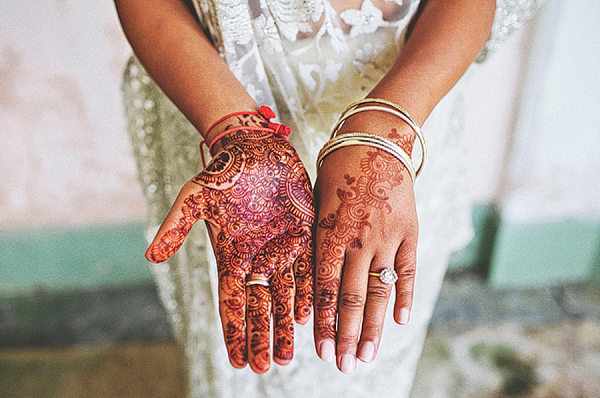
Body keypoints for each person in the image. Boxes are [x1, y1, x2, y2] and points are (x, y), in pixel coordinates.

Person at [115, 0, 543, 396]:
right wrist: (234, 127)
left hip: (404, 132)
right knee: (240, 336)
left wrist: (387, 131)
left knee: (369, 330)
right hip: (214, 109)